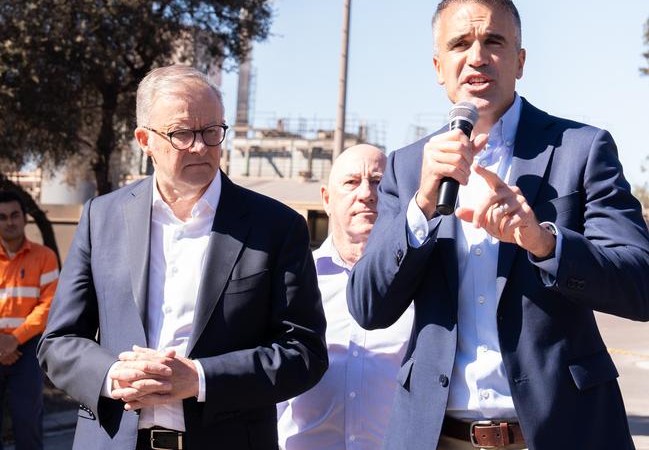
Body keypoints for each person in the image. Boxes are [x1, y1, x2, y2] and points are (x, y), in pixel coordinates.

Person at [346, 0, 649, 450]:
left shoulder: (582, 150)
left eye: (494, 42)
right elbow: (368, 306)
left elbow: (639, 286)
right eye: (460, 44)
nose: (477, 56)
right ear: (438, 68)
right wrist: (422, 206)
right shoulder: (408, 168)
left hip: (563, 432)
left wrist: (546, 243)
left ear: (520, 61)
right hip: (436, 437)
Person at [37, 65, 328, 450]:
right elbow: (59, 341)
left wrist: (200, 378)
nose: (201, 146)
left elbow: (303, 353)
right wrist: (112, 374)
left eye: (212, 131)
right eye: (182, 133)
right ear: (145, 140)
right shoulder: (101, 218)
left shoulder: (276, 227)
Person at [277, 144, 414, 449]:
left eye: (378, 182)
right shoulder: (290, 282)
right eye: (351, 182)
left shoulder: (419, 287)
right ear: (326, 199)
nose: (367, 193)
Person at [0, 191, 59, 450]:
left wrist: (14, 339)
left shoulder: (45, 257)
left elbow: (49, 306)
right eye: (1, 217)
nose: (9, 222)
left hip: (26, 352)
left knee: (28, 426)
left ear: (25, 219)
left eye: (14, 215)